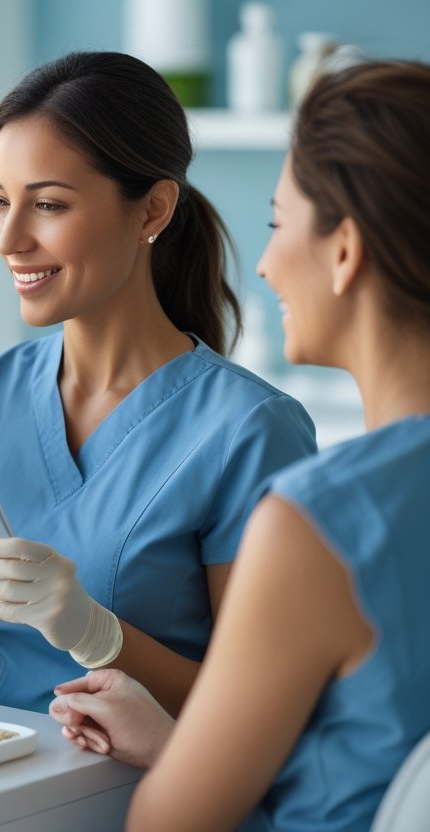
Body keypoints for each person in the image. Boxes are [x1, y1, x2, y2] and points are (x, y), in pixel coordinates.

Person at [0, 51, 316, 715]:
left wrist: (97, 635)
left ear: (152, 210)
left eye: (47, 204)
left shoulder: (250, 429)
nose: (10, 238)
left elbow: (260, 707)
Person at [49, 60, 430, 831]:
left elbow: (166, 825)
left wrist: (170, 758)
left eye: (280, 222)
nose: (263, 262)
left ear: (345, 249)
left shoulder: (322, 522)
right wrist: (178, 743)